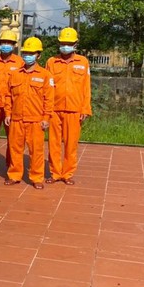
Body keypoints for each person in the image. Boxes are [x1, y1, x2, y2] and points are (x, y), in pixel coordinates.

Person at [4, 37, 54, 189]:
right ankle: (14, 175)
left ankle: (36, 177)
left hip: (36, 120)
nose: (28, 56)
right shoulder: (15, 74)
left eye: (31, 53)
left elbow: (49, 99)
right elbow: (7, 95)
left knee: (36, 150)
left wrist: (46, 118)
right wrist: (7, 113)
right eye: (25, 52)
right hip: (17, 118)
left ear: (38, 55)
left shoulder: (46, 75)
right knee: (14, 148)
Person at [46, 27, 92, 185]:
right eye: (63, 43)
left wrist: (85, 109)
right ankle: (55, 173)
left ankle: (67, 173)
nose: (65, 46)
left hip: (74, 110)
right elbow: (47, 87)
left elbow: (86, 87)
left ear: (75, 44)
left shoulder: (83, 62)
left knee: (71, 144)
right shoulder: (51, 62)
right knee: (53, 143)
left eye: (69, 43)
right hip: (54, 109)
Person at [0, 30, 22, 171]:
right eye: (3, 42)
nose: (6, 45)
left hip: (12, 106)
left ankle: (11, 163)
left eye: (9, 43)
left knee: (12, 138)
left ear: (14, 45)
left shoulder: (20, 62)